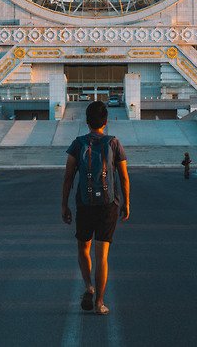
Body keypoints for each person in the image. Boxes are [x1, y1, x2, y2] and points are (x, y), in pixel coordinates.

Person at [62, 100, 130, 316]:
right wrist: (126, 202)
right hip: (108, 205)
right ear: (106, 121)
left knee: (83, 247)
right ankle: (100, 302)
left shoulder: (78, 143)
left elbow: (68, 177)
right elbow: (124, 177)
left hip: (84, 204)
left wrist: (64, 205)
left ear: (87, 121)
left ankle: (88, 286)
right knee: (102, 255)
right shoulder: (114, 143)